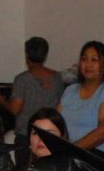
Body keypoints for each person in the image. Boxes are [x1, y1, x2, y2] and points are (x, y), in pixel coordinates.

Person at [58, 40, 104, 156]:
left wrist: (71, 150)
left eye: (94, 60)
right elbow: (55, 122)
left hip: (101, 161)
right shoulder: (70, 91)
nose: (88, 64)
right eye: (84, 59)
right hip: (70, 159)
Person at [6, 36, 64, 164]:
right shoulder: (57, 78)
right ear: (45, 55)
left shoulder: (22, 79)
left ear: (27, 55)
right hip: (50, 134)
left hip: (26, 135)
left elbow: (15, 109)